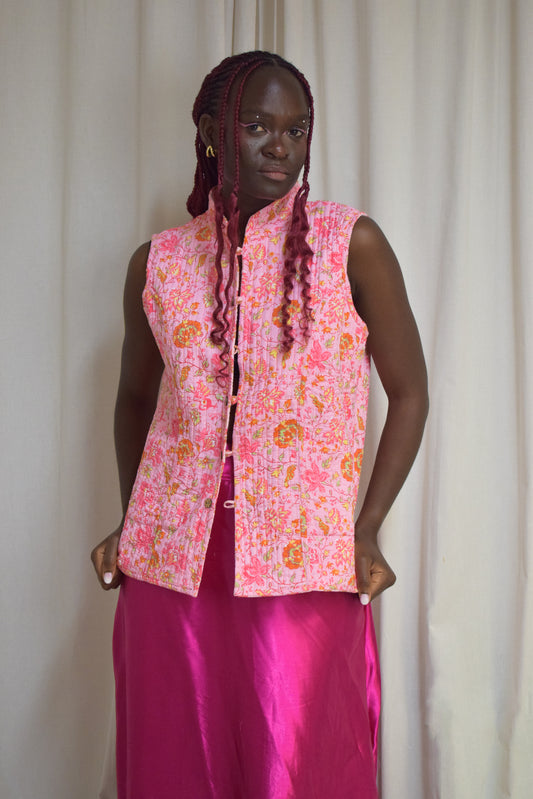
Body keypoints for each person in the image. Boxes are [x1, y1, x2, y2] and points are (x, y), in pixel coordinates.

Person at [91, 50, 428, 799]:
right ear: (213, 133)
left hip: (301, 561)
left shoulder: (351, 244)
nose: (281, 146)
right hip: (172, 569)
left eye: (296, 129)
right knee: (173, 760)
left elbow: (409, 392)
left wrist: (364, 528)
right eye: (257, 126)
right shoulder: (158, 264)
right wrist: (133, 517)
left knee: (300, 763)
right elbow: (132, 400)